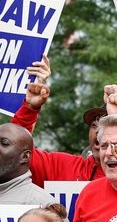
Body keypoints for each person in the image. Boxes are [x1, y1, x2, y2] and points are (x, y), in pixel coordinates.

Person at [9, 57, 105, 187]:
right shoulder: (64, 167)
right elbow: (14, 151)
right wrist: (29, 109)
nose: (98, 131)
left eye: (107, 126)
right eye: (94, 125)